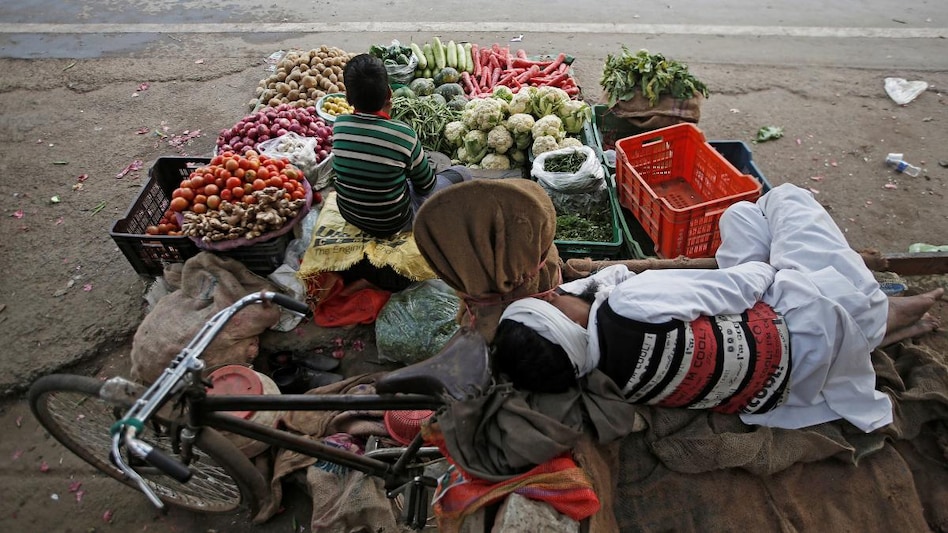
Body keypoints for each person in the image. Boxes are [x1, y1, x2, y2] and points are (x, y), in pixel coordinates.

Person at [492, 184, 943, 433]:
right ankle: (887, 314)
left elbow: (606, 290)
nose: (555, 290)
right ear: (565, 315)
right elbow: (741, 288)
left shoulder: (601, 376)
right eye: (550, 298)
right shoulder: (628, 305)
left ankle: (882, 322)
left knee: (740, 219)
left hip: (784, 390)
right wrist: (773, 271)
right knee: (786, 199)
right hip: (809, 323)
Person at [331, 53, 471, 238]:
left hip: (350, 215)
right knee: (463, 172)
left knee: (394, 174)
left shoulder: (339, 125)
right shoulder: (403, 134)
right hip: (394, 222)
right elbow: (426, 187)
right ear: (390, 93)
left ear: (348, 98)